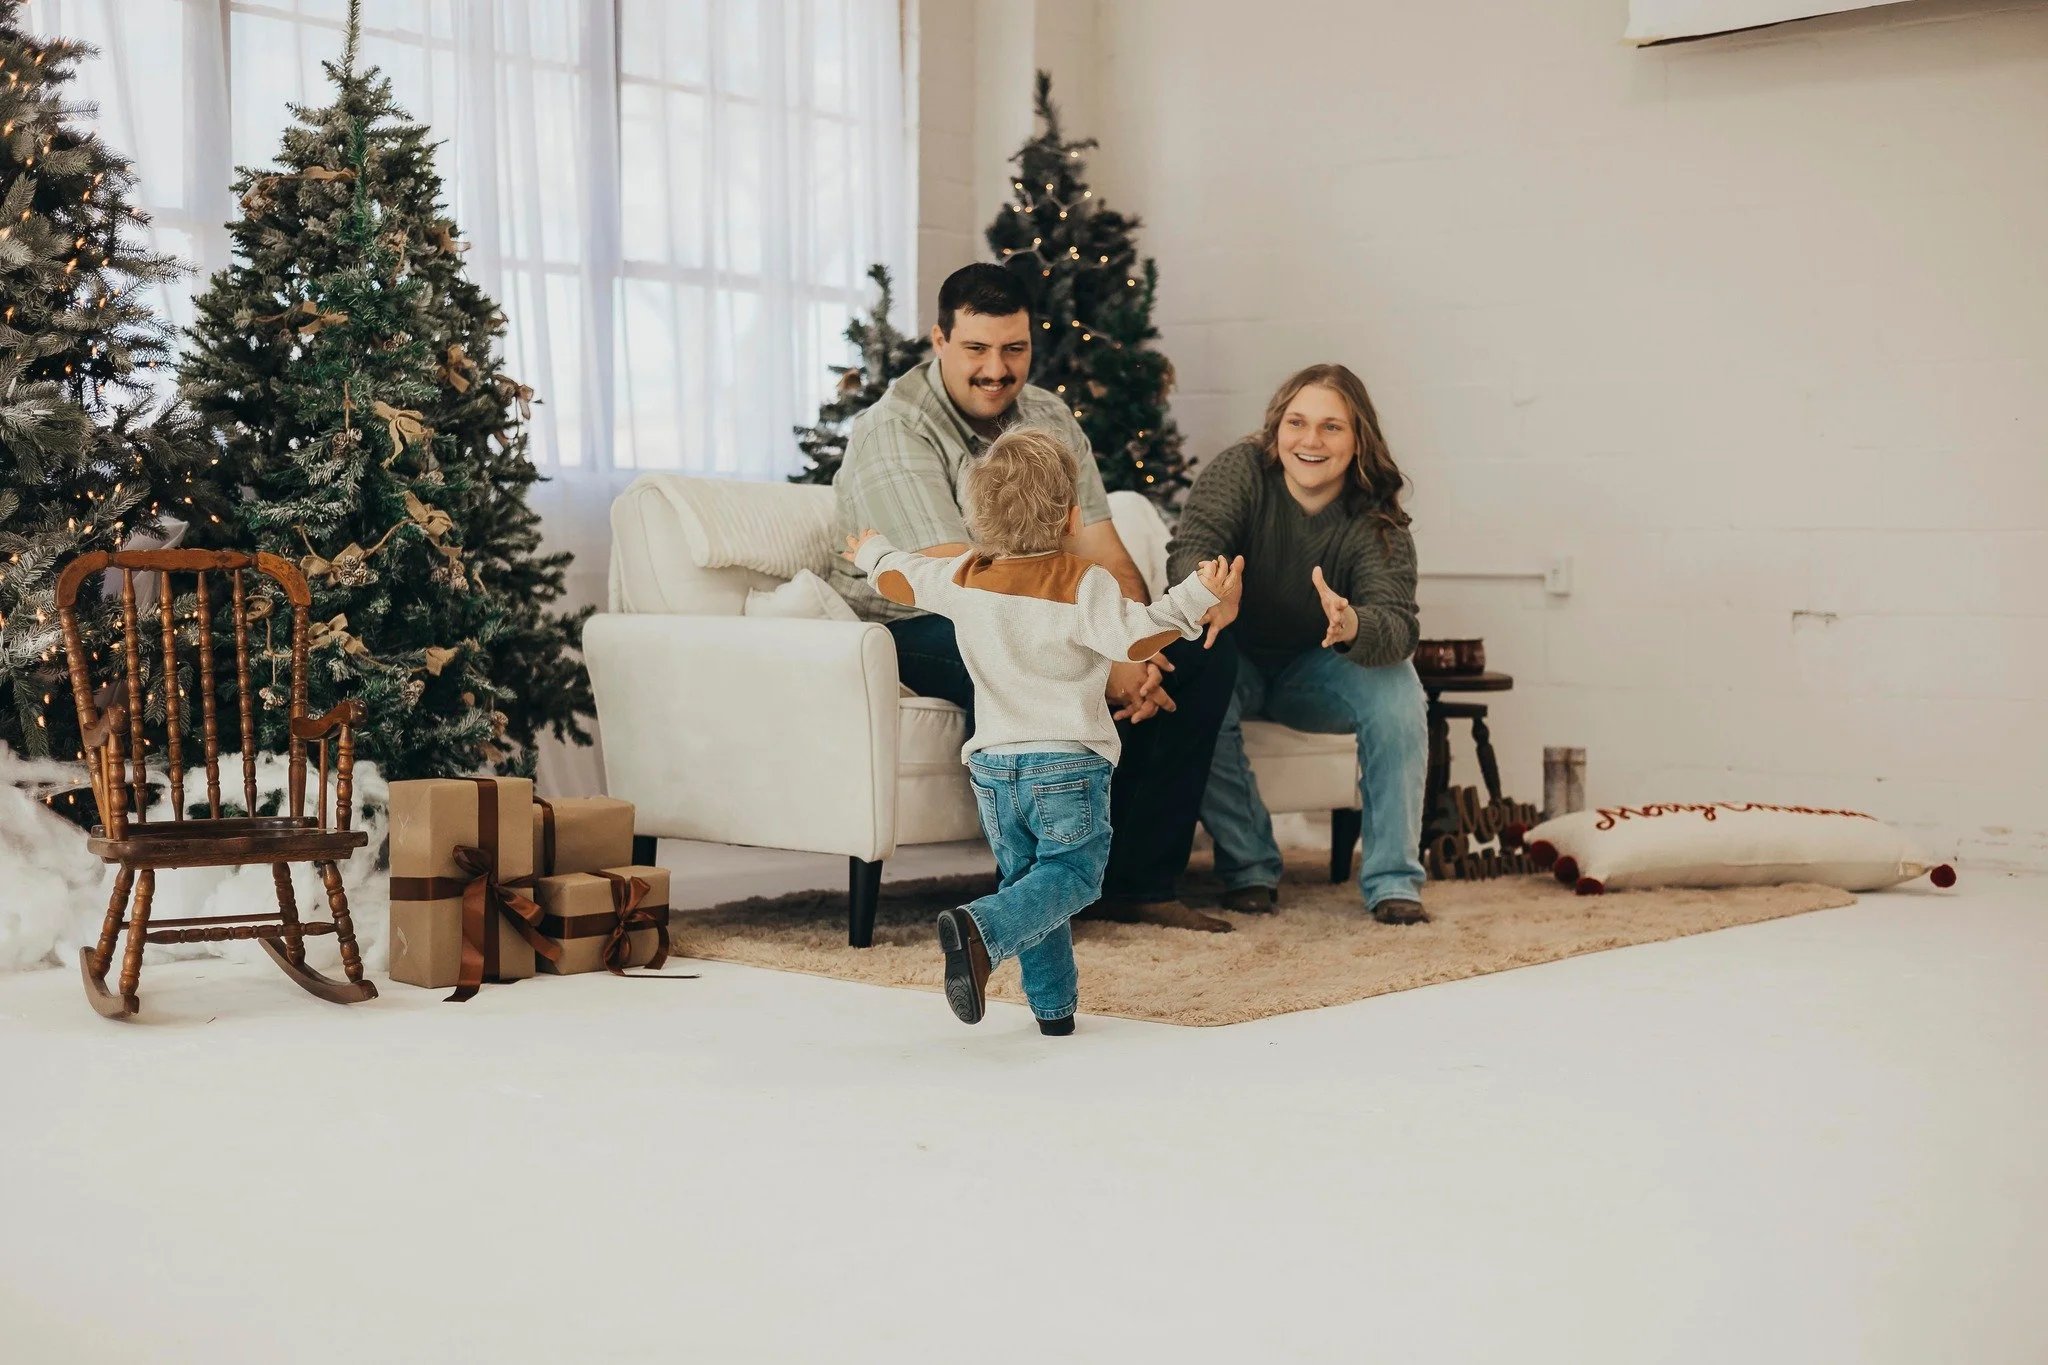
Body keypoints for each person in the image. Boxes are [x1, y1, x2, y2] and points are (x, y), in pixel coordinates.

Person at [830, 262, 1239, 932]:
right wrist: (1106, 661)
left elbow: (1102, 548)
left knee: (1201, 658)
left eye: (1014, 349)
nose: (997, 368)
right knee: (1019, 657)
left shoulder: (1047, 414)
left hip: (1039, 605)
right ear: (939, 340)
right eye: (977, 349)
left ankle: (1137, 881)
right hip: (918, 619)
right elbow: (957, 576)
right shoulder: (894, 428)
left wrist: (1132, 646)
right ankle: (1024, 895)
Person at [844, 427, 1243, 1033]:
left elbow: (900, 579)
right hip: (1066, 762)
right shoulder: (1083, 582)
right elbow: (1137, 636)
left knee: (1032, 884)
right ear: (1072, 517)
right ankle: (982, 928)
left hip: (993, 769)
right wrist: (1197, 594)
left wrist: (872, 553)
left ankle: (1054, 1012)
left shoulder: (963, 574)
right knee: (1075, 876)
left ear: (978, 517)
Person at [1169, 363, 1431, 924]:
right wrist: (1217, 587)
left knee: (1399, 687)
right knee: (1196, 675)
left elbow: (1397, 625)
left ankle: (1393, 880)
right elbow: (1192, 547)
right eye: (1297, 422)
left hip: (1315, 670)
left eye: (1331, 427)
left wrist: (1352, 624)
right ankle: (1249, 868)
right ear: (1276, 428)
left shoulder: (1375, 517)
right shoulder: (1239, 471)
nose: (1310, 440)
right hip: (1231, 658)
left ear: (1359, 439)